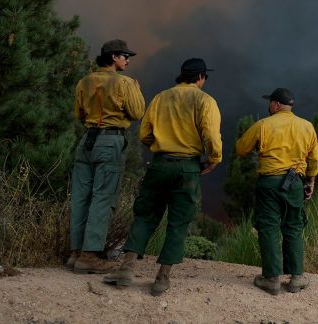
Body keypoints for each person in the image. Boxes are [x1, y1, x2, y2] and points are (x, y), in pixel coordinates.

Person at [103, 58, 222, 296]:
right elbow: (210, 133)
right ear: (200, 77)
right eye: (204, 77)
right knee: (179, 221)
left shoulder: (160, 97)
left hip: (159, 165)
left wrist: (159, 146)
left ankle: (125, 270)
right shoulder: (205, 100)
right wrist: (214, 158)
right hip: (188, 168)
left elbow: (145, 133)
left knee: (145, 215)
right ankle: (162, 278)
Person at [68, 39, 146, 274]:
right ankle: (90, 256)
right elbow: (137, 112)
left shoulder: (85, 81)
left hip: (86, 141)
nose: (128, 60)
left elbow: (79, 113)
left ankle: (75, 253)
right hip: (110, 141)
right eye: (125, 56)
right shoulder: (125, 83)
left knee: (81, 197)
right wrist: (137, 91)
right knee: (103, 197)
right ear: (113, 57)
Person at [235, 88, 318, 295]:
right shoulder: (307, 126)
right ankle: (296, 278)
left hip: (269, 183)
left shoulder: (263, 124)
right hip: (295, 184)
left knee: (269, 227)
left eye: (270, 102)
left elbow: (241, 149)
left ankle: (271, 279)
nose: (269, 105)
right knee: (293, 226)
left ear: (276, 104)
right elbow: (314, 160)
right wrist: (311, 182)